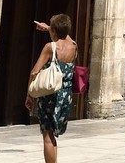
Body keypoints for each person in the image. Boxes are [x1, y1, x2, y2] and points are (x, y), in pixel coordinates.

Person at [25, 13, 77, 163]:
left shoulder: (50, 47)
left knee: (47, 136)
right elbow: (64, 36)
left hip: (50, 96)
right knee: (53, 135)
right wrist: (50, 28)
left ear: (54, 30)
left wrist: (29, 94)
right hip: (65, 95)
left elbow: (34, 72)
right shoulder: (74, 46)